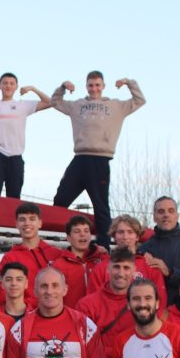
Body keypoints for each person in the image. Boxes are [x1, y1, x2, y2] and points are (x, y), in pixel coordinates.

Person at [50, 72, 146, 248]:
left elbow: (139, 100)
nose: (94, 89)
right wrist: (63, 87)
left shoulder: (115, 106)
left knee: (100, 205)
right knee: (60, 200)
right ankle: (59, 238)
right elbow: (54, 102)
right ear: (86, 86)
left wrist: (128, 82)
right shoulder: (77, 105)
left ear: (103, 86)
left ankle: (104, 245)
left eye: (97, 85)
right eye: (91, 85)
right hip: (79, 158)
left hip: (100, 159)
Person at [0, 73, 52, 198]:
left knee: (14, 198)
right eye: (5, 83)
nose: (8, 86)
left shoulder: (23, 105)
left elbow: (50, 102)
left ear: (16, 87)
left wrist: (33, 88)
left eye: (11, 83)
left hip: (15, 156)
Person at [138, 196, 180, 307]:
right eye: (161, 212)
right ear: (154, 217)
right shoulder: (144, 250)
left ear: (177, 216)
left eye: (171, 211)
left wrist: (170, 272)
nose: (166, 215)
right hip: (155, 316)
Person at [91, 214, 168, 307]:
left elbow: (160, 301)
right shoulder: (101, 267)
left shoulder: (150, 265)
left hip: (141, 320)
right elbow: (92, 302)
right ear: (114, 236)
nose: (125, 236)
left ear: (137, 237)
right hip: (108, 320)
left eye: (130, 232)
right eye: (120, 232)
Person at [0, 202, 63, 308]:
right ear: (17, 224)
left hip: (56, 315)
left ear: (40, 223)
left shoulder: (56, 254)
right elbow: (3, 295)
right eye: (22, 219)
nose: (27, 223)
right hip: (26, 317)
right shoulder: (10, 258)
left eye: (32, 219)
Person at [52, 215, 109, 308]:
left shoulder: (103, 259)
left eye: (86, 231)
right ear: (68, 238)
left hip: (101, 318)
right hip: (73, 318)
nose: (82, 234)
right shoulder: (59, 265)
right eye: (77, 231)